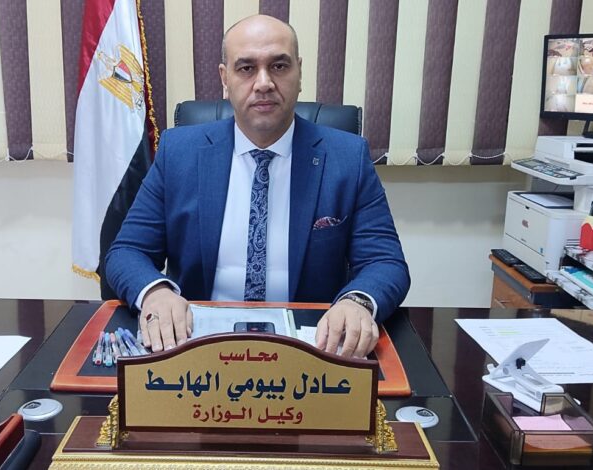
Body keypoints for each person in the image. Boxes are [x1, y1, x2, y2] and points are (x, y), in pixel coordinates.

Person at [106, 14, 409, 358]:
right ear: (225, 79)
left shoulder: (347, 158)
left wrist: (357, 302)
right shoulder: (179, 152)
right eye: (246, 68)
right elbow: (126, 251)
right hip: (196, 347)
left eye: (279, 66)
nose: (263, 83)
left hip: (313, 349)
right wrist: (155, 292)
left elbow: (385, 262)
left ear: (299, 73)